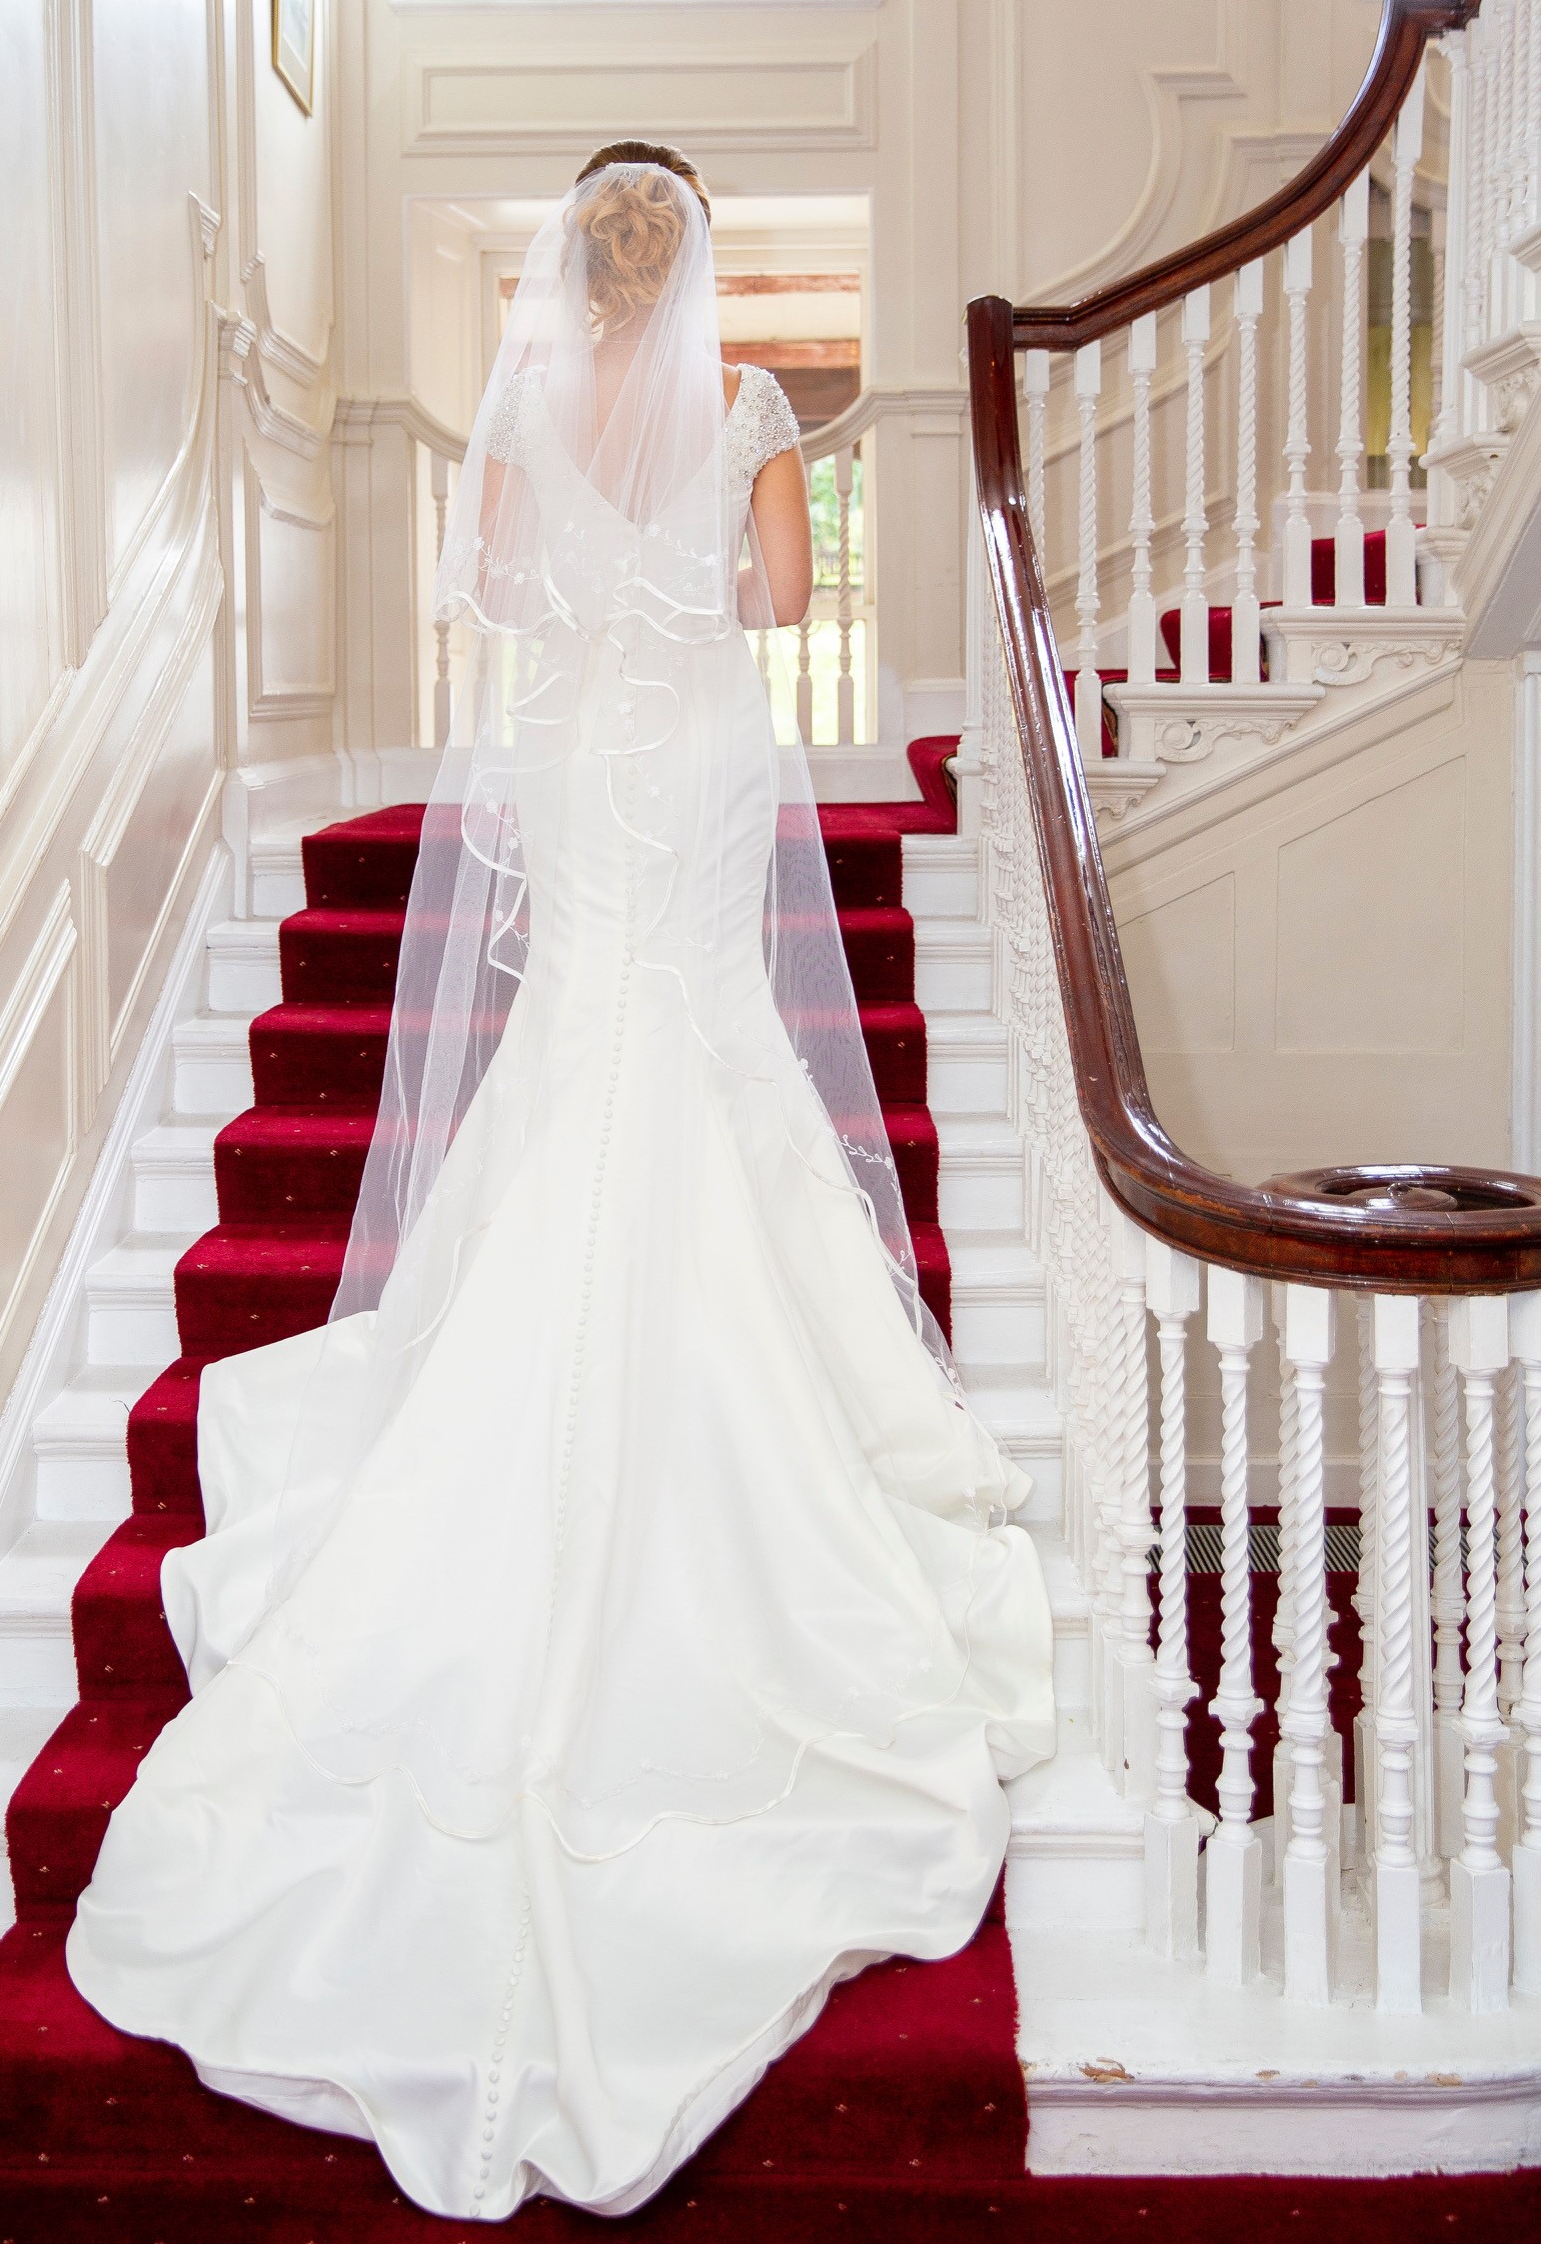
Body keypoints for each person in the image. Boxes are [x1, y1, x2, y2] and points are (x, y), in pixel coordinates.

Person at [66, 141, 1055, 2221]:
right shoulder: (748, 404)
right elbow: (780, 603)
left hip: (583, 755)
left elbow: (498, 596)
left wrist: (595, 590)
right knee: (706, 1044)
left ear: (574, 270)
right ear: (686, 262)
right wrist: (692, 564)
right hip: (692, 751)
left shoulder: (522, 404)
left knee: (584, 1040)